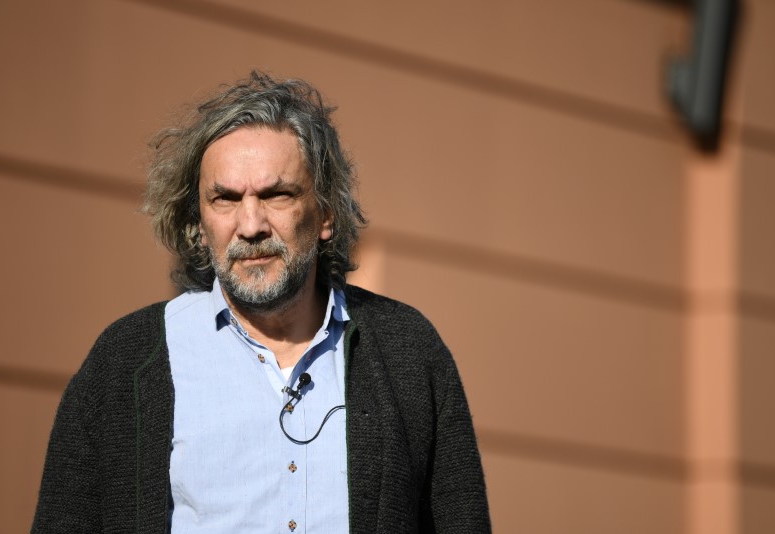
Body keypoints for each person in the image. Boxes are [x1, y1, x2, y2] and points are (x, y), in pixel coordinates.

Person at [32, 71, 490, 533]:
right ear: (199, 220)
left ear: (326, 212)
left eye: (276, 195)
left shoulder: (408, 351)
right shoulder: (125, 361)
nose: (250, 225)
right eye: (225, 199)